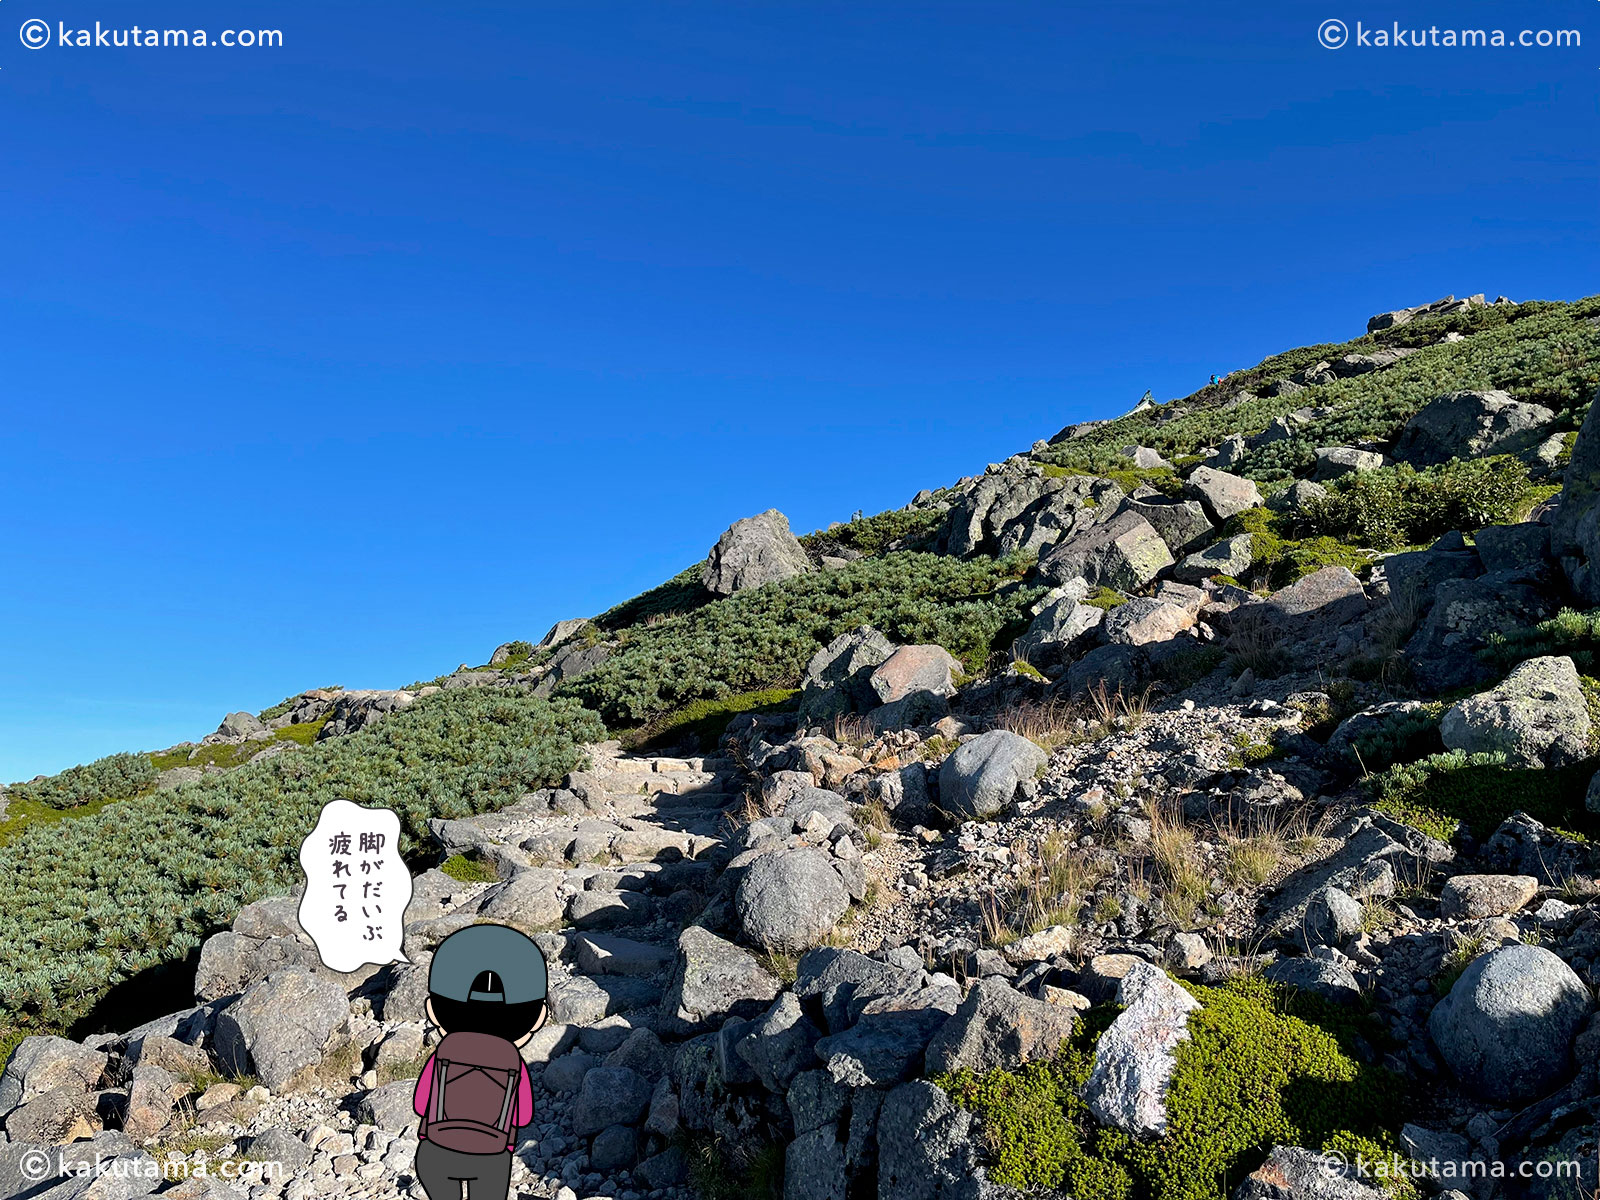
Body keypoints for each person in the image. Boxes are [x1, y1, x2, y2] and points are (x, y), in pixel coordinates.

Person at [410, 924, 548, 1200]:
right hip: (491, 1156)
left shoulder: (443, 1052)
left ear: (433, 1011)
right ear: (538, 1017)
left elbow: (420, 1103)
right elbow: (523, 1116)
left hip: (437, 1151)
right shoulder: (515, 1061)